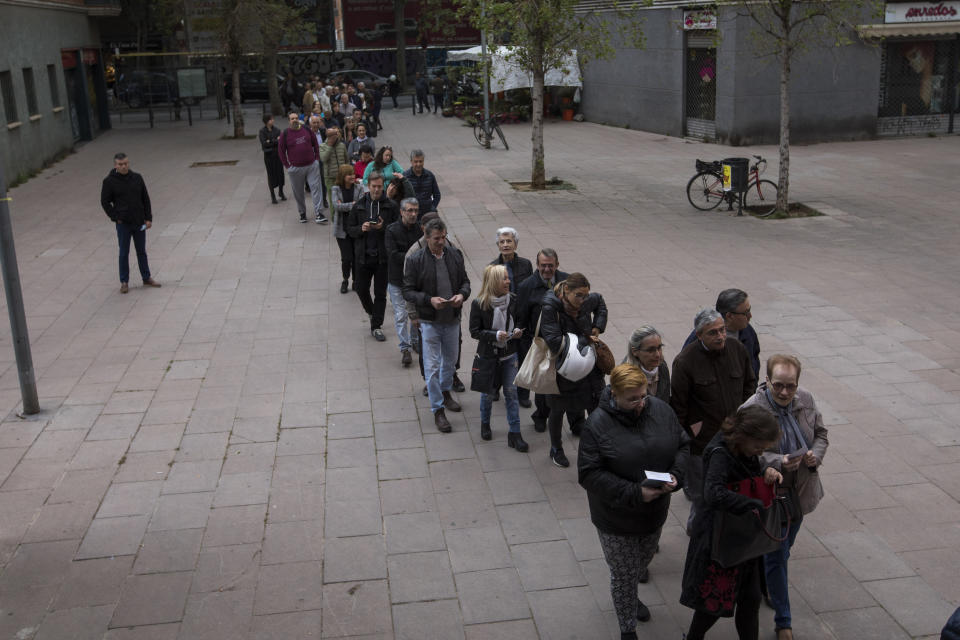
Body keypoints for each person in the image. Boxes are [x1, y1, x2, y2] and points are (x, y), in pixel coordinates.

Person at [578, 363, 690, 638]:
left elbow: (683, 444)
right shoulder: (596, 425)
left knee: (641, 563)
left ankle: (630, 594)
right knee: (624, 574)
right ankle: (627, 629)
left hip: (654, 513)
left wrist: (676, 475)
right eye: (632, 399)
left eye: (643, 396)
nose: (641, 404)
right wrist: (635, 493)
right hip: (616, 518)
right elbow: (589, 474)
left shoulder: (660, 410)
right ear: (614, 394)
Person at [741, 355, 828, 640]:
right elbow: (740, 452)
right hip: (771, 495)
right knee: (778, 556)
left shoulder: (806, 399)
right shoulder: (752, 410)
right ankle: (784, 622)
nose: (785, 392)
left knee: (783, 550)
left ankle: (767, 573)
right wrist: (777, 461)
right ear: (767, 381)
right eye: (778, 385)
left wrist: (815, 455)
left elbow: (821, 434)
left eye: (791, 386)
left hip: (800, 493)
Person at [680, 405, 784, 640]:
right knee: (713, 604)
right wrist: (750, 504)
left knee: (751, 599)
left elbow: (750, 471)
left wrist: (767, 471)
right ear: (744, 436)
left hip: (741, 538)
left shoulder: (743, 450)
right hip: (721, 541)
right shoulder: (720, 453)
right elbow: (713, 493)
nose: (759, 452)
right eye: (758, 447)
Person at [672, 308, 757, 532]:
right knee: (703, 495)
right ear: (699, 335)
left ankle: (725, 530)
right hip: (702, 444)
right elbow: (679, 406)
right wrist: (688, 437)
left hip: (735, 439)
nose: (720, 336)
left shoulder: (737, 349)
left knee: (733, 486)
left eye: (722, 330)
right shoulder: (685, 361)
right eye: (713, 333)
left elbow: (750, 383)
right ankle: (698, 532)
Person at [403, 217, 471, 432]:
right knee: (432, 368)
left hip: (452, 320)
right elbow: (408, 291)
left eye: (443, 237)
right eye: (436, 239)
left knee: (449, 364)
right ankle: (438, 410)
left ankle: (445, 391)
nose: (441, 242)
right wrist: (428, 300)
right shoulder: (415, 260)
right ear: (427, 237)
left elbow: (466, 282)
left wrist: (462, 295)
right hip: (429, 321)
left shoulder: (455, 255)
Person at [539, 273, 608, 467]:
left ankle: (596, 447)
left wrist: (597, 327)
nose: (583, 300)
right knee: (557, 409)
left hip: (587, 365)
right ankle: (556, 448)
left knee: (595, 404)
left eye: (585, 296)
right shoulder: (550, 307)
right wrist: (586, 340)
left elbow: (600, 302)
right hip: (563, 368)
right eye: (579, 296)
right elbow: (553, 341)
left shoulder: (587, 300)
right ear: (566, 291)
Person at [469, 264, 529, 451]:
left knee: (511, 393)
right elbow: (474, 331)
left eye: (508, 277)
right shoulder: (479, 304)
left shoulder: (513, 299)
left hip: (510, 355)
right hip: (488, 357)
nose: (508, 281)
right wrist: (494, 335)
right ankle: (485, 423)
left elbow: (520, 319)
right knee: (487, 394)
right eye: (504, 278)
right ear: (494, 281)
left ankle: (515, 433)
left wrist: (518, 330)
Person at [517, 249, 568, 432]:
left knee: (569, 382)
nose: (547, 269)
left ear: (557, 264)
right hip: (541, 344)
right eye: (543, 265)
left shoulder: (567, 281)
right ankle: (540, 415)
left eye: (550, 265)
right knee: (543, 383)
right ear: (537, 265)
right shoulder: (526, 286)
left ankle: (577, 422)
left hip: (564, 342)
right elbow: (521, 319)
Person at [347, 172, 399, 342]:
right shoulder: (359, 205)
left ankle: (376, 325)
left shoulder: (390, 206)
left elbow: (397, 229)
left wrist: (383, 228)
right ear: (368, 187)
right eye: (374, 186)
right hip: (363, 256)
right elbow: (350, 229)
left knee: (380, 294)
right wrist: (360, 229)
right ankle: (372, 312)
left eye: (379, 186)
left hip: (382, 258)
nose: (377, 189)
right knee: (361, 288)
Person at [100, 152, 161, 294]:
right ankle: (124, 281)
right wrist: (115, 217)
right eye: (120, 164)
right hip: (123, 223)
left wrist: (148, 218)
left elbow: (145, 198)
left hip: (138, 221)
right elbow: (104, 202)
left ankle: (146, 277)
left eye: (126, 163)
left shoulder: (137, 178)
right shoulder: (109, 181)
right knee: (123, 252)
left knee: (141, 251)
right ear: (115, 165)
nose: (123, 166)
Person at [683, 289, 761, 379]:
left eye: (749, 310)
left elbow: (754, 359)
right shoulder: (699, 337)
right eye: (745, 313)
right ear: (729, 316)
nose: (750, 316)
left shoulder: (747, 331)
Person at [385, 198, 423, 367]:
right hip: (397, 280)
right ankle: (405, 348)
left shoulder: (421, 229)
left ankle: (415, 341)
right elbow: (393, 255)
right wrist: (413, 258)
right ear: (401, 212)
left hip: (415, 281)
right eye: (409, 210)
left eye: (415, 210)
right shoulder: (392, 230)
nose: (413, 214)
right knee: (401, 315)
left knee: (415, 314)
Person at [278, 112, 327, 224]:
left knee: (316, 189)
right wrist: (287, 166)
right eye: (292, 119)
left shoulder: (306, 129)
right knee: (298, 192)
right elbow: (281, 151)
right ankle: (302, 213)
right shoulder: (285, 134)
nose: (294, 120)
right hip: (295, 168)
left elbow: (315, 142)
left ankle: (319, 213)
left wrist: (316, 158)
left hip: (311, 165)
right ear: (289, 121)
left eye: (296, 118)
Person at [332, 164, 362, 295]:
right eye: (349, 174)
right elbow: (336, 206)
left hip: (355, 228)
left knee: (356, 257)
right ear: (343, 177)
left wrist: (344, 205)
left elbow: (360, 205)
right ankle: (345, 280)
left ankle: (356, 281)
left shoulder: (359, 187)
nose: (352, 176)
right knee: (346, 258)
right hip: (342, 230)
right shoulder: (336, 189)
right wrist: (352, 205)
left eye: (353, 173)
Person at [623, 326, 670, 402]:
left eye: (659, 348)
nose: (658, 354)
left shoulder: (662, 366)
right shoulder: (626, 378)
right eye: (651, 350)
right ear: (635, 351)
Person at [318, 128, 350, 216]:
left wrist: (348, 172)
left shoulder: (342, 145)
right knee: (333, 200)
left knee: (344, 197)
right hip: (330, 178)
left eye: (335, 134)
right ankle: (334, 217)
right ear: (328, 136)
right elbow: (323, 159)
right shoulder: (322, 146)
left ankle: (344, 215)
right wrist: (330, 146)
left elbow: (347, 160)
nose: (334, 136)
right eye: (331, 135)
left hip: (342, 177)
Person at [258, 114, 286, 205]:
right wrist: (274, 141)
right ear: (267, 121)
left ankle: (281, 192)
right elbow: (264, 143)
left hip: (278, 155)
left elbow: (281, 140)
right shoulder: (262, 131)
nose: (273, 120)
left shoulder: (277, 130)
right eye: (271, 119)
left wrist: (270, 141)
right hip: (269, 157)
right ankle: (273, 195)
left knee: (280, 174)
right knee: (271, 175)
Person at [404, 149, 441, 216]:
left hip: (427, 213)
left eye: (421, 161)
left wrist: (432, 208)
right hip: (411, 215)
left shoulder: (430, 175)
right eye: (416, 162)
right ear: (411, 162)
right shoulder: (405, 177)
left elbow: (437, 195)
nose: (418, 164)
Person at [307, 115, 329, 209]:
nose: (316, 124)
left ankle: (324, 199)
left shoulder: (323, 132)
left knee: (324, 182)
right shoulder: (307, 133)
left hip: (322, 159)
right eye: (314, 123)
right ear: (310, 124)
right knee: (314, 183)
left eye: (317, 122)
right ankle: (317, 202)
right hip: (311, 160)